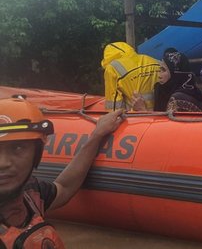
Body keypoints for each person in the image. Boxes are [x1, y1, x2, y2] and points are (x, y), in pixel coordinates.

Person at [0, 97, 124, 248]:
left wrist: (97, 135)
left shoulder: (32, 193)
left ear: (36, 153)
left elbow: (64, 188)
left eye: (18, 148)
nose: (3, 163)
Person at [132, 49, 202, 113]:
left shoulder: (178, 99)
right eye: (159, 70)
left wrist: (142, 110)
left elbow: (165, 131)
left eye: (163, 70)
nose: (159, 75)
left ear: (176, 75)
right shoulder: (165, 91)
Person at [101, 42, 161, 111]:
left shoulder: (112, 69)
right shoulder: (155, 61)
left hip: (136, 118)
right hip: (163, 116)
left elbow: (114, 107)